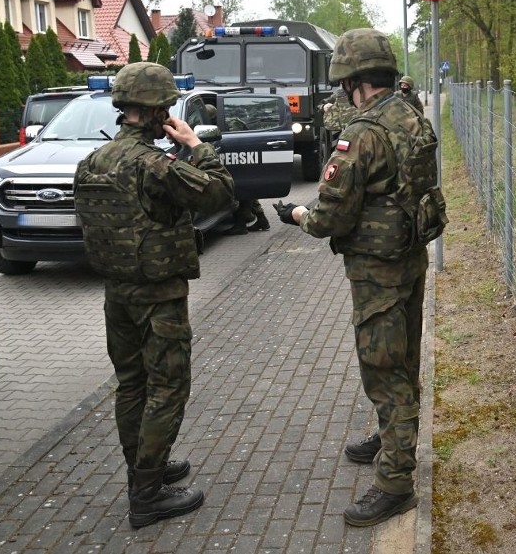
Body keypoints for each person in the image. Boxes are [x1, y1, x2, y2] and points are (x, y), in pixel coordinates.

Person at [272, 28, 447, 527]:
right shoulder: (412, 116)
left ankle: (395, 483)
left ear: (354, 82)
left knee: (383, 370)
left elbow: (329, 217)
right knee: (403, 360)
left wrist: (297, 216)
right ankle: (392, 439)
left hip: (377, 273)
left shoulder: (362, 133)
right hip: (410, 259)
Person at [73, 62, 235, 528]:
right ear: (159, 110)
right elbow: (220, 192)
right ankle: (146, 495)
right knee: (168, 386)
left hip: (116, 291)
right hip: (158, 294)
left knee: (132, 383)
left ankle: (146, 467)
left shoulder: (94, 161)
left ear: (123, 109)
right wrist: (195, 145)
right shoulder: (155, 165)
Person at [203, 103, 270, 235]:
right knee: (246, 190)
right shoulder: (224, 123)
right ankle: (261, 219)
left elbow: (232, 143)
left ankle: (241, 224)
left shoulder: (231, 125)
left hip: (242, 159)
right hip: (243, 159)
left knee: (241, 190)